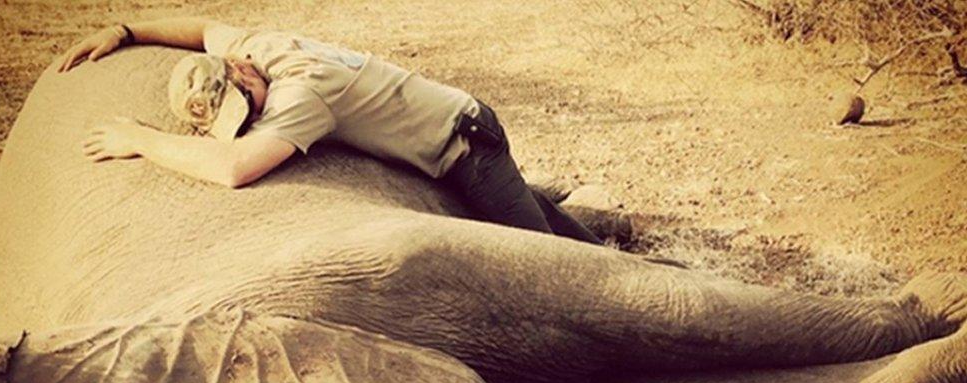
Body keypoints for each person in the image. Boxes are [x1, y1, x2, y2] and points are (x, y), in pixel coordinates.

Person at [61, 17, 601, 244]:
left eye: (247, 107)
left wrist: (140, 139)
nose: (252, 120)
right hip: (449, 124)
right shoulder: (257, 47)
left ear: (242, 73)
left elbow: (234, 169)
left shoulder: (302, 95)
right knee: (536, 215)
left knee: (540, 250)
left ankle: (631, 285)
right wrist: (127, 29)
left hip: (464, 144)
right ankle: (608, 253)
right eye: (239, 121)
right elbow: (202, 29)